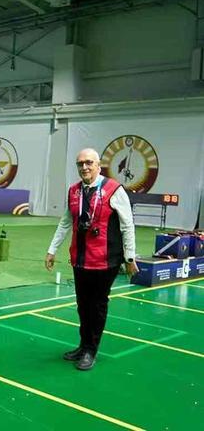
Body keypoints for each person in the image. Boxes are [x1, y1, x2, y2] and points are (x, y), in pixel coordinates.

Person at [45, 148, 138, 370]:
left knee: (96, 306)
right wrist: (52, 249)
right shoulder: (74, 191)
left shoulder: (114, 190)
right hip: (80, 259)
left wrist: (130, 257)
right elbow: (65, 222)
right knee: (83, 305)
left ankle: (91, 350)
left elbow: (127, 225)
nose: (84, 167)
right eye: (80, 164)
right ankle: (83, 345)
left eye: (89, 163)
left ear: (98, 165)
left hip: (105, 261)